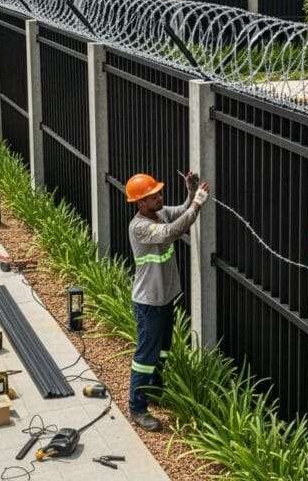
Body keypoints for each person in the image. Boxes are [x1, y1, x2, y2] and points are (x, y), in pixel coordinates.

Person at [126, 170, 209, 431]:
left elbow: (182, 211)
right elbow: (173, 230)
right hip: (149, 302)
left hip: (164, 298)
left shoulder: (159, 213)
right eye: (154, 196)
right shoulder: (140, 227)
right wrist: (198, 204)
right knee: (145, 356)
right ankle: (137, 408)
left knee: (163, 350)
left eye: (159, 193)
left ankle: (154, 391)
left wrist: (191, 192)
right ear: (141, 203)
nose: (160, 197)